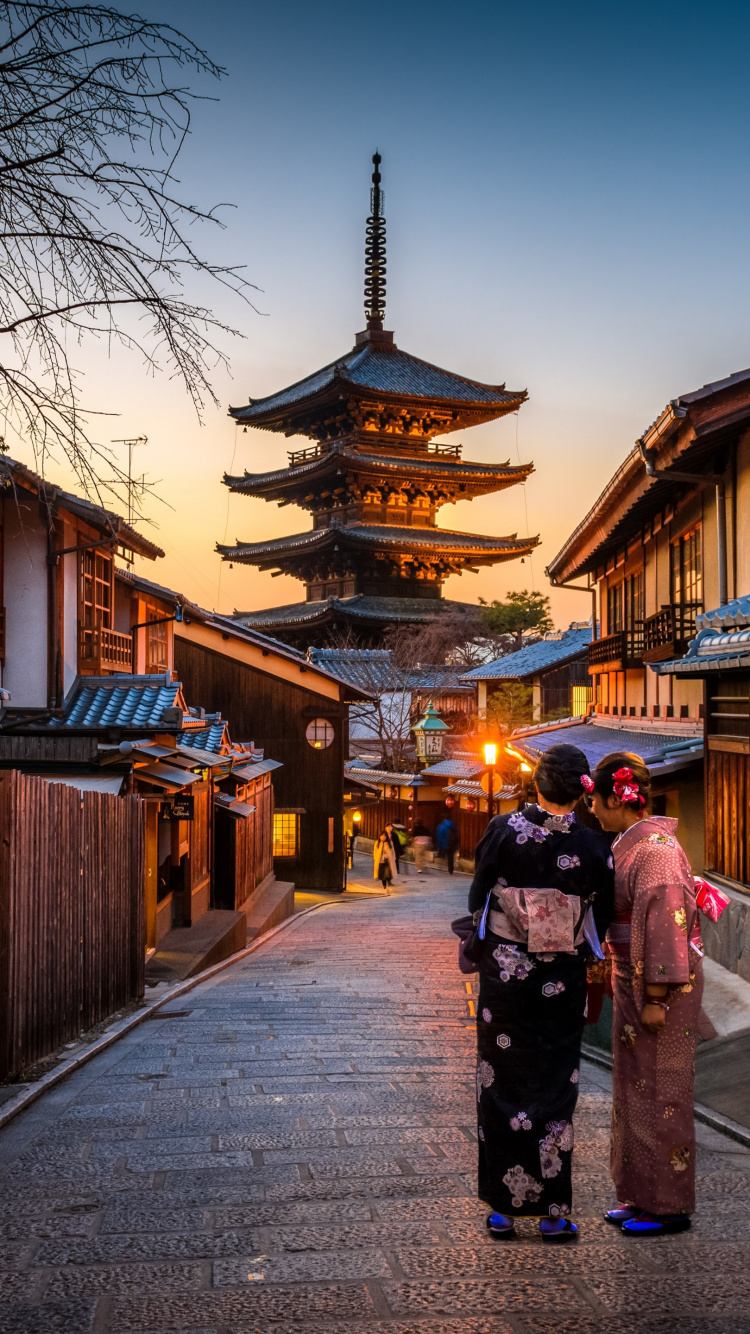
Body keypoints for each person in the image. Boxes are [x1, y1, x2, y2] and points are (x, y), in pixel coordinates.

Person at [468, 743, 615, 1242]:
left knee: (501, 1080)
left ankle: (503, 1210)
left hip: (506, 978)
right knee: (555, 1086)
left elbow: (479, 893)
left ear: (536, 782)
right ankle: (554, 1211)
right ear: (581, 790)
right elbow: (603, 910)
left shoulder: (501, 829)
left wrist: (513, 919)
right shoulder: (594, 845)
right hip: (562, 981)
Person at [586, 752, 704, 1238]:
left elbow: (665, 923)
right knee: (634, 1087)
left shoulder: (654, 851)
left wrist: (656, 994)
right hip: (634, 977)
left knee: (663, 1090)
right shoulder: (634, 845)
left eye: (596, 800)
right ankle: (638, 1192)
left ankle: (668, 1204)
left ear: (618, 796)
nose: (592, 809)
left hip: (659, 987)